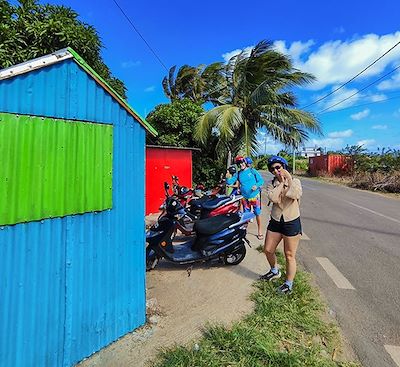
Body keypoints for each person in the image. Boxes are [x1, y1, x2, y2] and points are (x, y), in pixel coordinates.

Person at [260, 155, 302, 295]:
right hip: (276, 220)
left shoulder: (295, 181)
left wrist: (288, 179)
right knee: (268, 250)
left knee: (289, 255)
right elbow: (273, 198)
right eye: (272, 169)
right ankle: (274, 271)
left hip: (291, 221)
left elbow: (293, 194)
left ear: (284, 167)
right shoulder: (270, 184)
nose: (276, 171)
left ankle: (288, 284)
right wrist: (280, 183)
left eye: (278, 167)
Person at [235, 156, 264, 239]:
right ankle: (244, 230)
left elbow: (261, 181)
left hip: (254, 196)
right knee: (246, 214)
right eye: (239, 164)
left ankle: (260, 230)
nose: (241, 165)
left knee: (257, 213)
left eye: (242, 163)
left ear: (245, 162)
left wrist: (256, 185)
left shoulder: (252, 171)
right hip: (245, 198)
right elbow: (234, 182)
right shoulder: (239, 174)